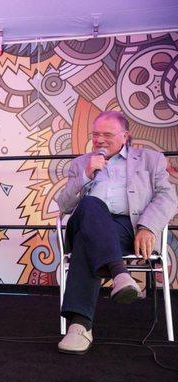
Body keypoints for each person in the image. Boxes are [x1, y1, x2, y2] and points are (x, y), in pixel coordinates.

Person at [56, 110, 177, 354]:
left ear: (125, 136)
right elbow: (65, 204)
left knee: (84, 243)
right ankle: (119, 273)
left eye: (107, 134)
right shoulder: (81, 163)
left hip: (127, 229)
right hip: (86, 220)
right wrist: (85, 176)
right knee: (90, 205)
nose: (99, 140)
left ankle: (80, 326)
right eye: (95, 134)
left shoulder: (150, 159)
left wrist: (147, 226)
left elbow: (168, 197)